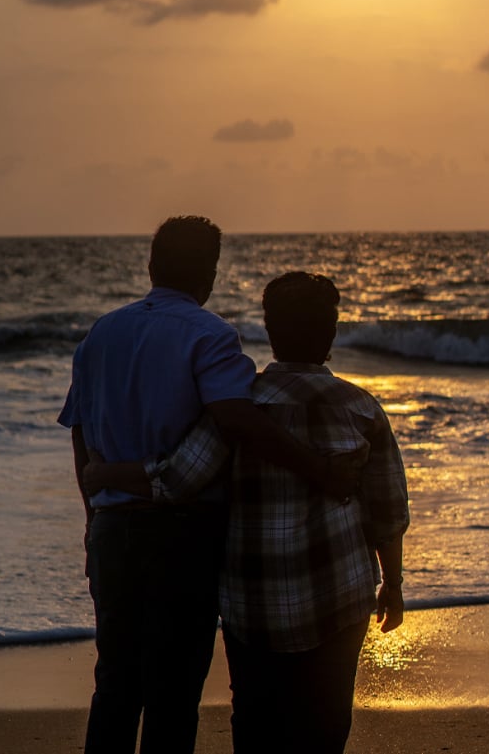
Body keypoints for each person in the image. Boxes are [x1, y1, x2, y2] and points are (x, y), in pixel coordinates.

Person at [60, 218, 352, 754]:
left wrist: (91, 518)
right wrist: (318, 469)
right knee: (172, 695)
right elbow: (236, 419)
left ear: (151, 266)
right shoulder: (208, 333)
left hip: (112, 531)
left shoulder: (101, 333)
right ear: (211, 274)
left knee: (116, 687)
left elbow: (81, 434)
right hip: (181, 535)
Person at [87, 270, 409, 754]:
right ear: (332, 333)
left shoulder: (239, 408)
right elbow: (387, 511)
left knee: (257, 723)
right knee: (326, 723)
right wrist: (394, 585)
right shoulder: (361, 408)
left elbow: (178, 478)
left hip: (252, 602)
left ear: (269, 330)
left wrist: (106, 474)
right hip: (339, 596)